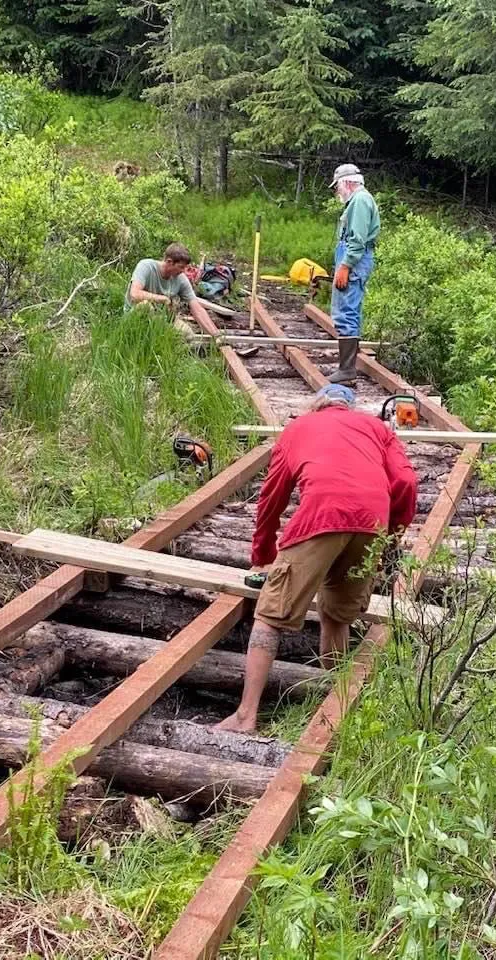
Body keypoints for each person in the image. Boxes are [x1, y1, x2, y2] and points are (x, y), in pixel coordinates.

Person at [217, 383, 417, 733]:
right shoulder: (376, 428)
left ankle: (246, 716)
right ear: (350, 408)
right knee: (337, 616)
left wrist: (263, 553)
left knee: (270, 615)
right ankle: (335, 711)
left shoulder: (298, 428)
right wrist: (391, 534)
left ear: (316, 406)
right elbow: (405, 482)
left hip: (321, 516)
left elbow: (272, 496)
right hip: (374, 521)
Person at [328, 163, 381, 385]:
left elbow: (357, 240)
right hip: (355, 260)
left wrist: (345, 266)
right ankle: (346, 367)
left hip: (355, 262)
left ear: (347, 183)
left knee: (346, 311)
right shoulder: (359, 201)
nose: (337, 192)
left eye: (337, 187)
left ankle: (347, 370)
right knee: (348, 310)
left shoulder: (359, 201)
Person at [124, 243, 213, 340]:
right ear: (169, 262)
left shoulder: (180, 279)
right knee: (146, 306)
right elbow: (135, 294)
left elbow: (197, 308)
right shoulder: (146, 266)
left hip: (162, 319)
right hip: (136, 316)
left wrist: (215, 334)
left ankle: (165, 348)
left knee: (188, 334)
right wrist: (162, 299)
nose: (183, 271)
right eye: (181, 267)